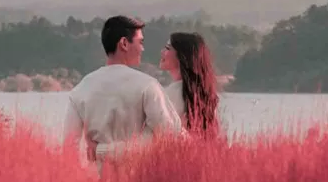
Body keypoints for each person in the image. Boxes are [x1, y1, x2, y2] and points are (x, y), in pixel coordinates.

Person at [63, 15, 182, 171]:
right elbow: (171, 137)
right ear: (124, 44)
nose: (143, 49)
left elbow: (68, 151)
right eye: (140, 42)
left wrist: (100, 151)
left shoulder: (80, 90)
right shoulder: (147, 86)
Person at [159, 31, 221, 138]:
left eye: (168, 48)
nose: (162, 51)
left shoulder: (169, 94)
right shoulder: (203, 95)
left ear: (182, 56)